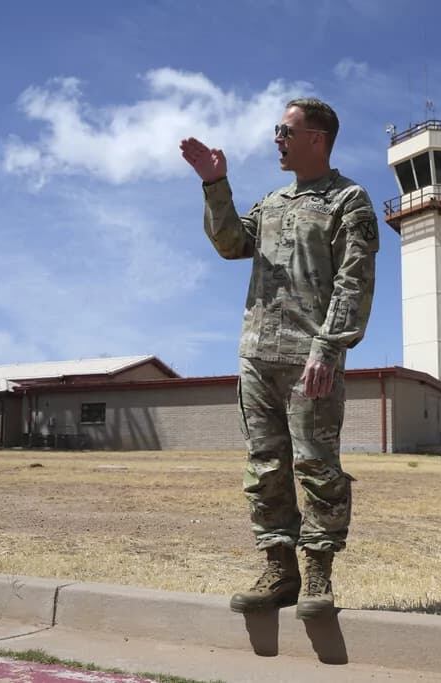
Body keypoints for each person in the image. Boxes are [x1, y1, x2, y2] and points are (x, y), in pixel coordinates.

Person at [179, 98, 378, 620]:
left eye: (284, 131)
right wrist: (213, 184)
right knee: (265, 468)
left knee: (317, 468)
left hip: (310, 357)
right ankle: (278, 570)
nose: (276, 140)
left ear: (317, 137)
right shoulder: (271, 202)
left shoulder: (348, 200)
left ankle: (317, 574)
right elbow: (230, 243)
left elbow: (352, 280)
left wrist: (329, 348)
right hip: (258, 355)